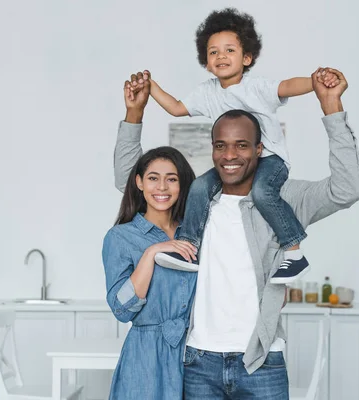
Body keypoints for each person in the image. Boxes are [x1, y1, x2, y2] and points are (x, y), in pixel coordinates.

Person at [116, 65, 359, 399]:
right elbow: (128, 181)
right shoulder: (193, 201)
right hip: (197, 361)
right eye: (221, 146)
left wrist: (331, 107)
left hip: (261, 361)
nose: (230, 155)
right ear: (213, 149)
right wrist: (134, 113)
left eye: (242, 145)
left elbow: (347, 189)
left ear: (260, 150)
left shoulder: (286, 198)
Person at [130, 8, 341, 284]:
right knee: (198, 188)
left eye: (230, 50)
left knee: (264, 193)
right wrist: (151, 86)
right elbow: (177, 108)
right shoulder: (207, 92)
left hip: (269, 159)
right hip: (233, 166)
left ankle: (294, 252)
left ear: (247, 57)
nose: (221, 57)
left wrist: (316, 82)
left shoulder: (256, 88)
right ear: (206, 62)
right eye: (214, 52)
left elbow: (287, 86)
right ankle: (188, 248)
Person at [101, 79, 199, 399]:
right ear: (139, 183)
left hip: (198, 356)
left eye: (172, 179)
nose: (162, 187)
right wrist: (152, 252)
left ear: (182, 186)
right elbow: (122, 309)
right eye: (153, 178)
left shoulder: (196, 231)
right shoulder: (122, 237)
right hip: (145, 359)